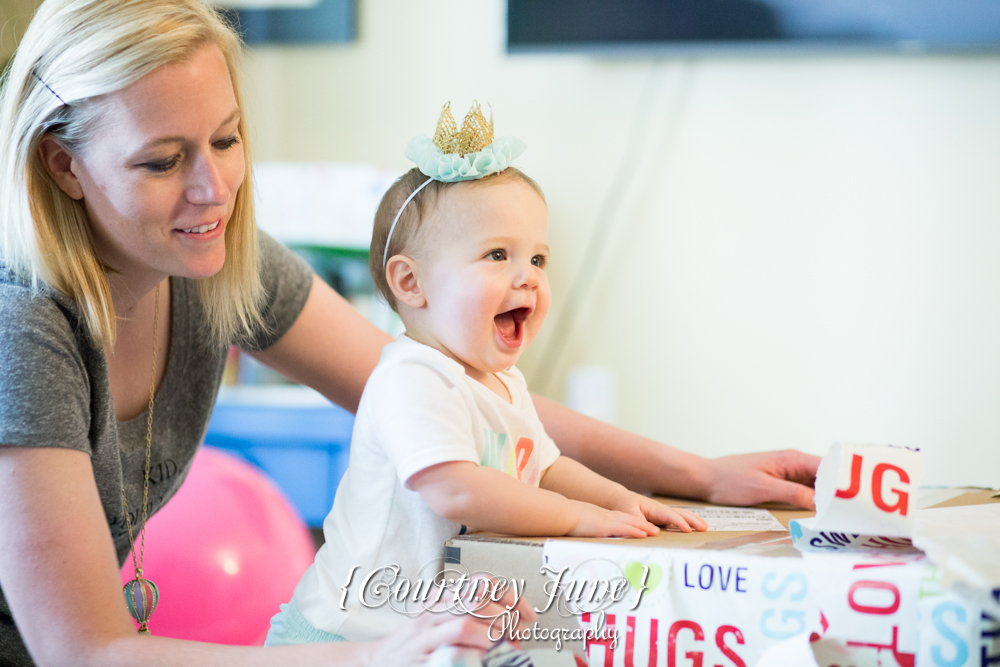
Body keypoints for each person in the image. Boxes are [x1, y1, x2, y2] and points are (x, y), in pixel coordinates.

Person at [0, 1, 819, 666]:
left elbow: (457, 396)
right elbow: (85, 648)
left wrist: (696, 473)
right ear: (62, 165)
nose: (213, 189)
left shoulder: (221, 261)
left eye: (226, 139)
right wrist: (388, 651)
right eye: (161, 161)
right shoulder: (23, 332)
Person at [267, 108, 712, 648]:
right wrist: (576, 520)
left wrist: (616, 500)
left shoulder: (505, 384)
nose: (528, 276)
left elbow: (546, 468)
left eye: (539, 258)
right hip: (345, 634)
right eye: (498, 254)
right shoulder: (413, 377)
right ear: (411, 282)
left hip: (425, 630)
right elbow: (456, 489)